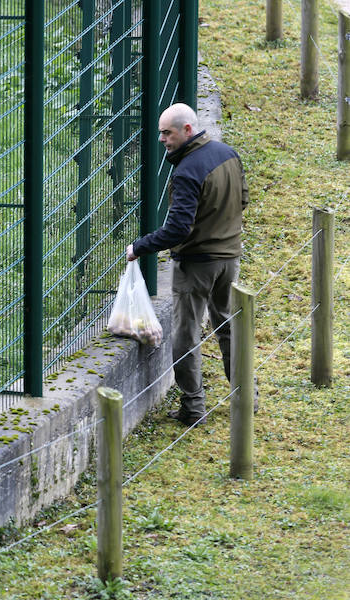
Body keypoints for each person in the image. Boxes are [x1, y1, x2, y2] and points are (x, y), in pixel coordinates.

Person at [126, 103, 249, 426]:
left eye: (167, 133)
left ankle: (193, 407)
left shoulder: (187, 171)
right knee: (226, 325)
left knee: (186, 334)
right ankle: (246, 397)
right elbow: (243, 199)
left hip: (196, 264)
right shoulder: (228, 154)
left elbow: (178, 228)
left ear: (187, 130)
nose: (162, 139)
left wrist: (139, 246)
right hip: (230, 258)